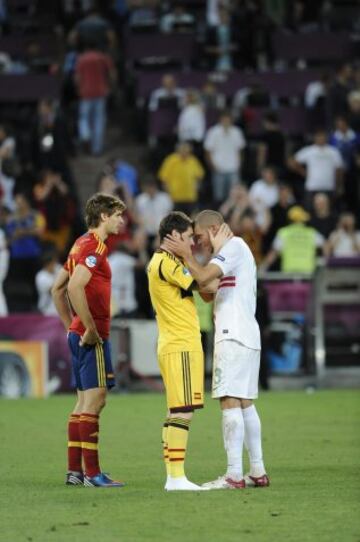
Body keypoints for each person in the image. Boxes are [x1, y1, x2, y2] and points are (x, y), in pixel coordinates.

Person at [163, 210, 269, 489]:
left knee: (229, 401)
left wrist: (186, 255)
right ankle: (257, 470)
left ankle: (234, 475)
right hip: (245, 332)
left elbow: (205, 276)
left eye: (197, 236)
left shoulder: (233, 247)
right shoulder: (228, 252)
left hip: (232, 333)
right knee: (245, 401)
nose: (196, 242)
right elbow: (208, 290)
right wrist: (200, 262)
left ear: (213, 228)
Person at [51, 193, 126, 488]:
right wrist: (90, 329)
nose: (122, 220)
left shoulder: (79, 243)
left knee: (83, 401)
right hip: (92, 336)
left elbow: (57, 289)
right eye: (118, 215)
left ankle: (74, 472)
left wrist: (70, 326)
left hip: (77, 333)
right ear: (104, 216)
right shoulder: (94, 246)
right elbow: (74, 287)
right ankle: (93, 474)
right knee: (96, 400)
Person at [147, 211, 209, 491]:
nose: (190, 244)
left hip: (177, 343)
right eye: (186, 238)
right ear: (172, 236)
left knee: (176, 411)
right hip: (180, 345)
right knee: (183, 412)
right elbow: (205, 282)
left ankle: (174, 475)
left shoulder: (164, 262)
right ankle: (176, 477)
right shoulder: (165, 262)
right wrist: (188, 257)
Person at [75, 42, 117, 155]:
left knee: (84, 118)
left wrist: (79, 89)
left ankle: (85, 134)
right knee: (99, 120)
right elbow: (112, 74)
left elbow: (78, 77)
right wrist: (111, 86)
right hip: (100, 92)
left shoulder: (81, 59)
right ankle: (96, 149)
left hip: (86, 92)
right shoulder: (103, 58)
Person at [288, 129, 344, 208]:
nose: (321, 138)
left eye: (322, 136)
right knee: (310, 211)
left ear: (326, 138)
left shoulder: (333, 152)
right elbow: (291, 162)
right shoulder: (309, 150)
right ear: (315, 138)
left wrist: (339, 185)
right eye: (318, 136)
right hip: (312, 186)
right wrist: (303, 172)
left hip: (328, 186)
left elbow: (339, 169)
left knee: (329, 211)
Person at [261, 206, 325, 273]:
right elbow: (326, 246)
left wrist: (262, 268)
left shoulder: (283, 233)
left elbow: (273, 254)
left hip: (289, 275)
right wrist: (322, 260)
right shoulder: (311, 233)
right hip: (308, 275)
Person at [204, 110, 246, 205]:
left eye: (228, 119)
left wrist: (239, 165)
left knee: (235, 197)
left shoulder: (237, 132)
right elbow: (207, 151)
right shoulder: (213, 132)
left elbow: (240, 150)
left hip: (233, 169)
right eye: (224, 119)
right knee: (219, 197)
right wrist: (213, 167)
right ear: (220, 119)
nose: (226, 121)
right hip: (218, 169)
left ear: (231, 120)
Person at [158, 142, 204, 215]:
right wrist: (167, 192)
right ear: (178, 150)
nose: (185, 152)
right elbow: (164, 178)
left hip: (190, 196)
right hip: (175, 197)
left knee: (191, 217)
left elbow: (199, 175)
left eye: (187, 150)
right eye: (183, 150)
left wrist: (197, 186)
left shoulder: (193, 160)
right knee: (177, 218)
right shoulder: (170, 160)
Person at [35, 250, 62, 316]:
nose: (55, 263)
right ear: (48, 264)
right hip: (48, 309)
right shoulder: (41, 276)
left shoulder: (58, 268)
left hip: (62, 306)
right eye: (53, 262)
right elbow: (55, 290)